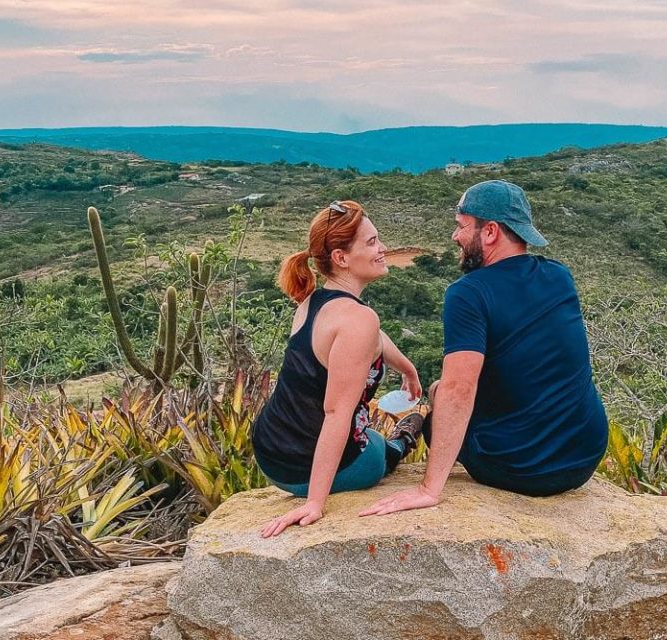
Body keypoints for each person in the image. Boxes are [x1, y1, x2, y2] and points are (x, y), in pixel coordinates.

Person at [361, 180, 608, 517]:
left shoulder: (468, 293)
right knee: (438, 389)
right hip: (584, 455)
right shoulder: (558, 276)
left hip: (523, 469)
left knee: (438, 406)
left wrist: (428, 489)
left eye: (461, 226)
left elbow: (460, 389)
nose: (455, 237)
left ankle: (408, 437)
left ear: (490, 231)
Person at [252, 200, 424, 537]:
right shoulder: (359, 320)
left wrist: (407, 368)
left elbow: (374, 337)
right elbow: (335, 414)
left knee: (366, 434)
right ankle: (402, 441)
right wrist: (315, 503)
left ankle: (390, 439)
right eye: (372, 242)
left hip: (271, 451)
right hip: (302, 468)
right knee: (374, 449)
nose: (383, 248)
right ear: (341, 258)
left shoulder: (312, 302)